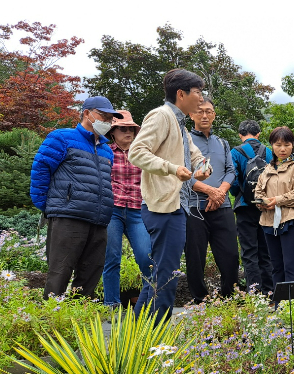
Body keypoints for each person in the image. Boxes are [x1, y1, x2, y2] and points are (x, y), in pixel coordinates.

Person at [129, 69, 210, 323]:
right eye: (197, 92)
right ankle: (156, 333)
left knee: (163, 272)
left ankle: (139, 329)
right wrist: (172, 169)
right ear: (181, 94)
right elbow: (137, 152)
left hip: (177, 205)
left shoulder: (180, 123)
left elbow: (194, 154)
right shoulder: (161, 116)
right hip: (162, 207)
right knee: (167, 274)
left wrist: (202, 166)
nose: (201, 98)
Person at [30, 96, 123, 299]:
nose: (107, 121)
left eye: (110, 119)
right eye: (103, 116)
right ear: (87, 113)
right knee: (60, 272)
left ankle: (79, 320)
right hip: (68, 216)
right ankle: (52, 320)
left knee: (91, 273)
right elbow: (41, 170)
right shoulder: (61, 138)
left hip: (98, 219)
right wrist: (48, 206)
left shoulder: (107, 150)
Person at [185, 97, 238, 302]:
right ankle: (201, 301)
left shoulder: (222, 143)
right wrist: (209, 191)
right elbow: (182, 175)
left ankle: (230, 298)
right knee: (195, 258)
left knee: (230, 255)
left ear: (214, 115)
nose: (204, 115)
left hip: (222, 206)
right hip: (193, 207)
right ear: (191, 115)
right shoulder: (184, 140)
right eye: (200, 111)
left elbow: (230, 171)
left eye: (209, 111)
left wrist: (220, 192)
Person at [102, 110, 152, 308]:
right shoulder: (105, 151)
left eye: (131, 128)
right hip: (112, 210)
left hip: (137, 209)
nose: (128, 132)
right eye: (123, 129)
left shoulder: (142, 152)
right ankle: (111, 304)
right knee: (111, 258)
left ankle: (149, 301)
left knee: (145, 256)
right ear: (113, 132)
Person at [254, 126, 294, 286]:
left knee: (290, 265)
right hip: (268, 222)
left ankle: (293, 308)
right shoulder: (268, 168)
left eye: (287, 144)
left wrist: (277, 200)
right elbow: (258, 191)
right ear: (272, 145)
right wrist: (262, 203)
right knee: (276, 266)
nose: (282, 149)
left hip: (290, 221)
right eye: (278, 145)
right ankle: (280, 306)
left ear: (293, 145)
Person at [230, 120, 275, 295]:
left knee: (249, 252)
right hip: (265, 207)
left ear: (241, 135)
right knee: (266, 251)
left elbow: (233, 180)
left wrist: (239, 194)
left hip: (244, 207)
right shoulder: (268, 152)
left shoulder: (236, 151)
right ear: (258, 134)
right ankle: (269, 292)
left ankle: (254, 294)